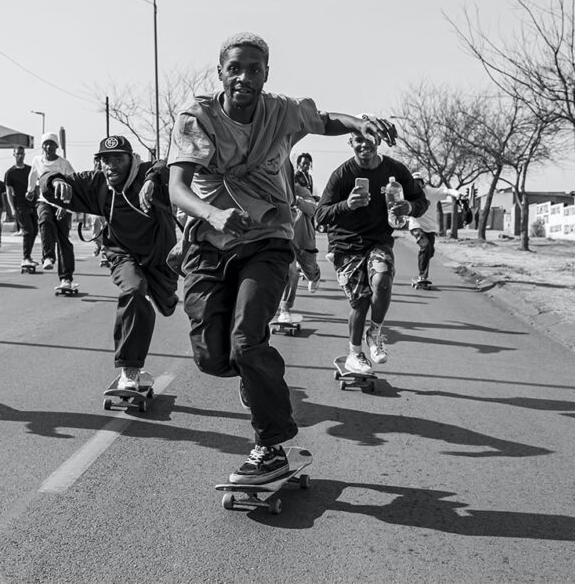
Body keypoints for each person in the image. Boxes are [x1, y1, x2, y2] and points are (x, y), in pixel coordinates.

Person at [166, 32, 399, 485]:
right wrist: (213, 213)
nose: (244, 78)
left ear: (266, 74)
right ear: (220, 73)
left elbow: (325, 119)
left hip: (268, 239)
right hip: (209, 243)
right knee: (212, 357)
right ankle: (255, 379)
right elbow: (177, 187)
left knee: (247, 341)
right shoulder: (197, 117)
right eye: (235, 68)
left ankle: (270, 448)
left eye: (255, 69)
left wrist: (358, 124)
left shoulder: (280, 111)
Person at [39, 135, 178, 390]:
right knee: (134, 291)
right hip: (123, 254)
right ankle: (130, 371)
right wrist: (56, 180)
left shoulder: (147, 174)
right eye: (106, 160)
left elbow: (166, 166)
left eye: (118, 159)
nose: (111, 166)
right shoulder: (97, 183)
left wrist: (152, 180)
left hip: (158, 258)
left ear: (131, 159)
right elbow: (45, 182)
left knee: (170, 306)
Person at [314, 128, 428, 376]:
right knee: (361, 300)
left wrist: (408, 205)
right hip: (346, 245)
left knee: (383, 279)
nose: (364, 145)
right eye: (358, 140)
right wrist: (347, 205)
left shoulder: (395, 171)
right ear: (350, 142)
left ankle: (374, 332)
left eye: (368, 139)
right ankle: (355, 354)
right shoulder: (342, 175)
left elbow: (422, 201)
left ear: (378, 140)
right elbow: (320, 215)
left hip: (379, 241)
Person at [276, 146, 322, 325]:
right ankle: (284, 308)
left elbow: (313, 208)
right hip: (283, 238)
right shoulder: (274, 190)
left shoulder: (300, 190)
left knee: (309, 269)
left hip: (303, 238)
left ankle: (315, 275)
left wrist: (296, 200)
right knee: (291, 272)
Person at [29, 133, 77, 290]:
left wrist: (66, 206)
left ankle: (66, 279)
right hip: (44, 200)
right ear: (42, 146)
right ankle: (48, 256)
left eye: (51, 144)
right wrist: (30, 190)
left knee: (63, 239)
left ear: (57, 146)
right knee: (44, 219)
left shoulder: (64, 163)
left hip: (62, 203)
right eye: (45, 144)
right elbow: (32, 175)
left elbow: (72, 184)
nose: (48, 147)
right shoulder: (37, 161)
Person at [408, 171, 461, 284]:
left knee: (430, 251)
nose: (417, 185)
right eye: (414, 183)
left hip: (430, 227)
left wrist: (458, 195)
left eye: (419, 182)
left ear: (423, 183)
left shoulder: (431, 192)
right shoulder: (409, 193)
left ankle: (423, 267)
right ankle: (422, 276)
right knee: (425, 246)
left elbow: (447, 191)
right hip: (416, 225)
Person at [4, 146, 38, 268]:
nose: (20, 155)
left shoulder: (30, 169)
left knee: (34, 231)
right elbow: (8, 192)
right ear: (13, 154)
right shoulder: (10, 173)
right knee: (28, 230)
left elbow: (36, 185)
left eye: (22, 153)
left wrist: (35, 196)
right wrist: (12, 208)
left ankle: (28, 256)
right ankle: (25, 258)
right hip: (19, 206)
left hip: (32, 204)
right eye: (18, 153)